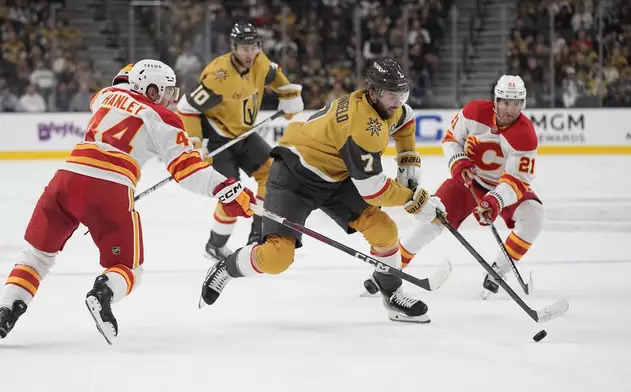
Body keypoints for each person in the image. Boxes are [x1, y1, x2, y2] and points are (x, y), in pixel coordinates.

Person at [0, 60, 255, 344]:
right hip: (109, 188)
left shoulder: (104, 98)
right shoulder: (164, 118)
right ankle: (103, 292)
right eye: (168, 90)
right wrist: (226, 188)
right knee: (129, 269)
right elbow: (189, 172)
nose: (172, 98)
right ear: (153, 89)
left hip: (65, 182)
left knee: (36, 256)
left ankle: (7, 308)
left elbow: (120, 87)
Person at [199, 58, 446, 323]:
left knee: (384, 230)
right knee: (276, 257)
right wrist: (416, 201)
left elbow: (406, 118)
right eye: (391, 96)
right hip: (294, 177)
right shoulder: (363, 125)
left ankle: (392, 292)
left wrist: (407, 158)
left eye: (401, 94)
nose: (397, 102)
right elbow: (373, 190)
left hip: (335, 177)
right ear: (373, 92)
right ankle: (226, 267)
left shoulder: (386, 106)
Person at [395, 75, 545, 299]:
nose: (510, 109)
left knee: (534, 215)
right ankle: (390, 270)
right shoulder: (474, 112)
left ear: (522, 104)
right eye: (505, 102)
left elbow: (517, 180)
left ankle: (497, 272)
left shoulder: (525, 135)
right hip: (467, 181)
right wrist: (458, 161)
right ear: (496, 100)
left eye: (515, 104)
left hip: (501, 187)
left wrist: (494, 201)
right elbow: (450, 138)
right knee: (432, 216)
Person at [177, 22, 303, 262]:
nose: (249, 53)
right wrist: (195, 145)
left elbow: (274, 75)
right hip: (218, 138)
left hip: (245, 135)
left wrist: (288, 93)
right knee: (231, 193)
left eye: (254, 47)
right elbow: (187, 107)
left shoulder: (259, 61)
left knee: (273, 174)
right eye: (244, 48)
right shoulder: (218, 76)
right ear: (233, 48)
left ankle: (257, 235)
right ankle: (215, 245)